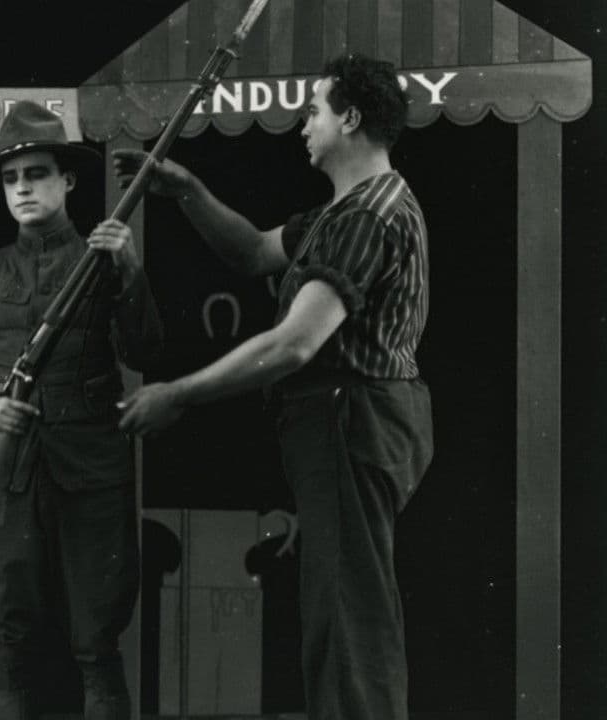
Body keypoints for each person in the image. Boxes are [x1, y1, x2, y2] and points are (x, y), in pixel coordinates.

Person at [114, 53, 433, 720]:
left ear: (350, 118)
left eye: (314, 111)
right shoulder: (344, 212)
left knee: (348, 626)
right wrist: (188, 189)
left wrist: (177, 394)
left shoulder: (365, 218)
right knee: (343, 615)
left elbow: (293, 344)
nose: (303, 125)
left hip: (352, 422)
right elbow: (255, 252)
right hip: (348, 425)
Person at [0, 101, 162, 720]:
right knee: (11, 643)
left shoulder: (102, 259)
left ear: (68, 180)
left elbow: (145, 350)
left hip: (92, 468)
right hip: (11, 473)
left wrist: (130, 268)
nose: (22, 188)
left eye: (36, 174)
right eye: (11, 178)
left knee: (97, 643)